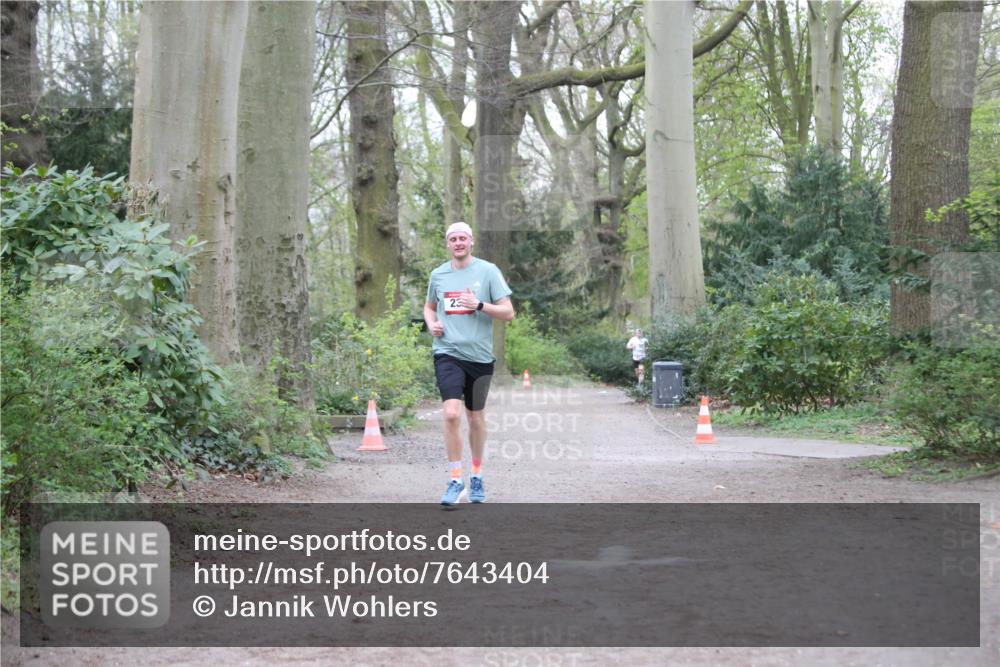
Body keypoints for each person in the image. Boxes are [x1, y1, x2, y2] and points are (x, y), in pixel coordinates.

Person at [424, 221, 515, 506]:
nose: (458, 243)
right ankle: (455, 479)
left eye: (463, 238)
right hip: (447, 352)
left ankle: (476, 474)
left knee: (475, 417)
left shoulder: (488, 271)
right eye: (453, 239)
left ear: (471, 241)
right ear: (447, 244)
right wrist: (432, 324)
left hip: (479, 356)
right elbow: (429, 307)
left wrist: (478, 305)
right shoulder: (438, 275)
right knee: (451, 414)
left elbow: (508, 313)